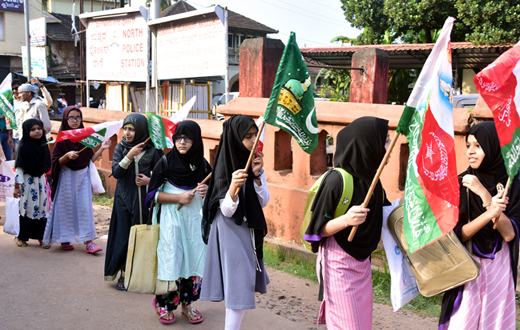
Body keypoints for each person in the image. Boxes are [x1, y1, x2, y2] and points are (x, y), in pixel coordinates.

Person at [303, 117, 390, 330]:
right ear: (368, 144)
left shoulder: (374, 182)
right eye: (385, 141)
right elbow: (315, 231)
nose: (389, 147)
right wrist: (346, 220)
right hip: (338, 263)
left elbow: (387, 213)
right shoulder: (336, 181)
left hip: (362, 264)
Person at [439, 121, 519, 329]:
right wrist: (489, 213)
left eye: (478, 146)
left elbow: (509, 234)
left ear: (494, 147)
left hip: (499, 268)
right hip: (467, 265)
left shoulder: (513, 184)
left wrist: (484, 194)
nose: (470, 152)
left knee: (494, 323)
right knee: (463, 322)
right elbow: (458, 235)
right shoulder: (461, 183)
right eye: (468, 146)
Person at [200, 115, 270, 330]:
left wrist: (257, 176)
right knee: (239, 283)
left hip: (248, 229)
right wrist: (232, 188)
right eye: (247, 137)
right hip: (230, 230)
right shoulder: (224, 167)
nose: (252, 141)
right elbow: (226, 210)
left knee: (242, 282)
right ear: (234, 138)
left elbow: (264, 201)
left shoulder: (254, 162)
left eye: (254, 135)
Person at [147, 120, 211, 324]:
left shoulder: (203, 165)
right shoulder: (165, 162)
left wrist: (207, 191)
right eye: (178, 138)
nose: (182, 142)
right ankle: (164, 305)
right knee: (171, 257)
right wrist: (178, 198)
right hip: (171, 219)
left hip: (193, 221)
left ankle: (187, 305)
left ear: (196, 140)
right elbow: (152, 196)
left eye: (187, 138)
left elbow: (215, 193)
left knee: (192, 260)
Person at [104, 113, 163, 290]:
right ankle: (123, 273)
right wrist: (129, 156)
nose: (128, 133)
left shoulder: (153, 150)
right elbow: (116, 172)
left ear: (141, 130)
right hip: (123, 200)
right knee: (124, 236)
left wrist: (149, 180)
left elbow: (162, 175)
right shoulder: (121, 148)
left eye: (132, 129)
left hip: (143, 202)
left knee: (141, 236)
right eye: (126, 129)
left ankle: (138, 273)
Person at [42, 106, 110, 253]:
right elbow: (55, 163)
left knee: (84, 208)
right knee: (65, 207)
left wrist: (102, 148)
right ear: (65, 119)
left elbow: (89, 159)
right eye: (71, 118)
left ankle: (89, 242)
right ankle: (65, 238)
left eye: (78, 118)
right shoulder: (61, 138)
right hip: (66, 177)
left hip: (83, 176)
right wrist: (67, 156)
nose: (75, 121)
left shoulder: (85, 136)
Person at [12, 119, 51, 248]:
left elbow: (47, 164)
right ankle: (21, 237)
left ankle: (41, 237)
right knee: (28, 209)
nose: (37, 131)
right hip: (27, 183)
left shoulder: (44, 144)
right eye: (33, 129)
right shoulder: (23, 147)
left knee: (41, 209)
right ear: (26, 131)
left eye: (39, 128)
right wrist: (17, 187)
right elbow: (19, 168)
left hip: (40, 182)